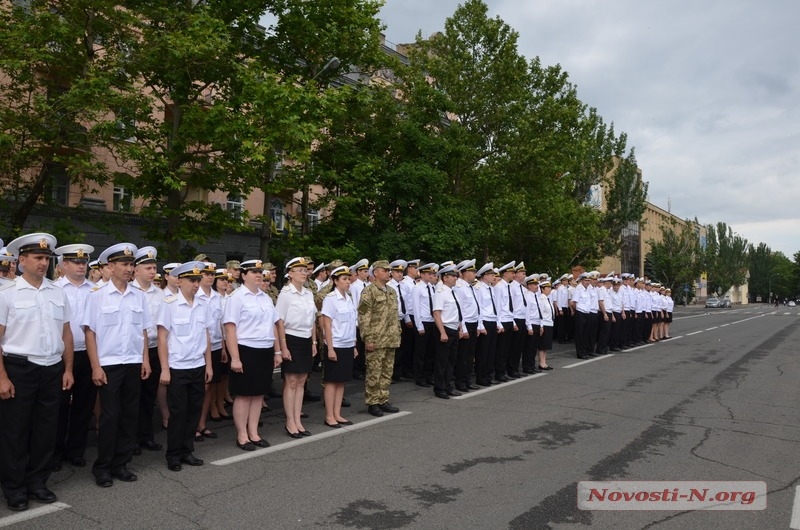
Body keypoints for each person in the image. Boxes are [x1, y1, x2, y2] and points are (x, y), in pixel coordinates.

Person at [0, 233, 74, 512]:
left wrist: (68, 368)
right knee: (15, 431)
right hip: (20, 368)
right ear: (22, 261)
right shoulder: (7, 294)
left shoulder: (58, 292)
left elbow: (65, 332)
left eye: (46, 258)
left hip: (52, 367)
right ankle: (14, 487)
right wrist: (2, 376)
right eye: (38, 257)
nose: (43, 263)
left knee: (46, 430)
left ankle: (37, 482)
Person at [83, 243, 151, 487]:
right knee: (110, 417)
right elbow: (89, 333)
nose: (129, 269)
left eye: (132, 264)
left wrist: (145, 360)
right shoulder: (97, 296)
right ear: (110, 267)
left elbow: (142, 331)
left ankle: (121, 464)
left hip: (132, 361)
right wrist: (95, 366)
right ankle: (103, 466)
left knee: (129, 416)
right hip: (109, 364)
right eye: (124, 264)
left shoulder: (139, 296)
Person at [157, 262, 213, 471]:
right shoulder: (169, 304)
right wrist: (164, 368)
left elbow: (205, 335)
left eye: (198, 280)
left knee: (193, 410)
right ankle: (173, 454)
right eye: (192, 280)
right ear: (179, 281)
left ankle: (187, 450)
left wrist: (208, 364)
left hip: (197, 364)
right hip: (178, 366)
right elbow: (162, 338)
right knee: (178, 412)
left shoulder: (202, 304)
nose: (196, 284)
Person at [224, 259, 282, 451]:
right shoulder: (236, 297)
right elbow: (230, 329)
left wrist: (277, 351)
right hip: (246, 350)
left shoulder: (265, 297)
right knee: (243, 395)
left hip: (264, 350)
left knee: (258, 394)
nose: (258, 275)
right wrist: (235, 358)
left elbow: (273, 326)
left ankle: (254, 432)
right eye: (253, 272)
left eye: (260, 272)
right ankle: (242, 435)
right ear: (243, 275)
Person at [53, 243, 96, 471]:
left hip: (89, 354)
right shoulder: (55, 289)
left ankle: (76, 451)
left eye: (84, 262)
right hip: (62, 355)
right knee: (59, 406)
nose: (81, 266)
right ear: (63, 265)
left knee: (84, 405)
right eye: (76, 262)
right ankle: (55, 452)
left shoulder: (95, 289)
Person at [275, 257, 317, 437]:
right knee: (291, 382)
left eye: (305, 270)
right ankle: (290, 421)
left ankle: (298, 420)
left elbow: (313, 319)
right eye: (299, 270)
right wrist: (283, 347)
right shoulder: (285, 294)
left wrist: (314, 342)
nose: (303, 273)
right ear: (290, 274)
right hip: (291, 339)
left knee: (301, 382)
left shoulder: (308, 293)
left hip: (306, 338)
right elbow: (280, 322)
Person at [132, 246, 166, 453]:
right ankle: (133, 438)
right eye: (148, 268)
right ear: (136, 270)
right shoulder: (129, 291)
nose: (152, 272)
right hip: (134, 351)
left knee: (149, 395)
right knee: (133, 396)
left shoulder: (159, 293)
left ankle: (147, 435)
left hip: (154, 348)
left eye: (154, 267)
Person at [358, 260, 401, 416]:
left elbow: (395, 316)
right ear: (375, 272)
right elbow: (364, 317)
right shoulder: (368, 292)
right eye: (385, 270)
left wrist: (397, 333)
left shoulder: (391, 291)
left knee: (387, 372)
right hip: (376, 340)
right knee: (374, 372)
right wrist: (368, 338)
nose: (389, 272)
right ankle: (373, 402)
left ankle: (383, 399)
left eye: (390, 270)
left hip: (391, 338)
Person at [320, 265, 357, 427]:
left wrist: (354, 344)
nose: (348, 282)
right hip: (335, 345)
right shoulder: (330, 299)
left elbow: (351, 324)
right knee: (331, 381)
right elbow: (326, 325)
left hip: (348, 344)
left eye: (348, 279)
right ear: (335, 281)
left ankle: (337, 413)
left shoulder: (349, 298)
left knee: (341, 381)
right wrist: (329, 348)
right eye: (344, 279)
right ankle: (329, 416)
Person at [431, 264, 466, 399]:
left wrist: (460, 328)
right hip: (445, 328)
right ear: (445, 277)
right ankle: (439, 388)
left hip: (454, 328)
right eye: (453, 276)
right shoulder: (440, 292)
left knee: (451, 360)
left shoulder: (453, 292)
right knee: (442, 361)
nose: (456, 278)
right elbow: (436, 314)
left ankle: (448, 386)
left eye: (456, 276)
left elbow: (457, 311)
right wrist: (442, 332)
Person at [453, 260, 483, 392]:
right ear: (464, 273)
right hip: (465, 324)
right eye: (472, 271)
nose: (474, 274)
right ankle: (460, 382)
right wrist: (463, 328)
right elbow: (460, 310)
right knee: (463, 356)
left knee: (470, 355)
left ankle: (468, 380)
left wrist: (477, 325)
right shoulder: (459, 287)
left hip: (473, 323)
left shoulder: (471, 287)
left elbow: (475, 308)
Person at [412, 263, 438, 387]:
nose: (430, 276)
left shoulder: (432, 288)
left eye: (432, 274)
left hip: (432, 321)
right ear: (421, 274)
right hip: (423, 322)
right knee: (421, 352)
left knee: (430, 351)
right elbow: (416, 308)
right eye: (428, 274)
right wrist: (419, 325)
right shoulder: (417, 288)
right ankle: (420, 376)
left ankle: (428, 375)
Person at [535, 280, 555, 370]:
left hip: (550, 323)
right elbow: (541, 313)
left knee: (546, 345)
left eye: (550, 288)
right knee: (542, 345)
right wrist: (541, 325)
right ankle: (541, 363)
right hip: (544, 324)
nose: (549, 289)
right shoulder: (541, 299)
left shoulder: (548, 299)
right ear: (542, 289)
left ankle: (544, 362)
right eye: (547, 288)